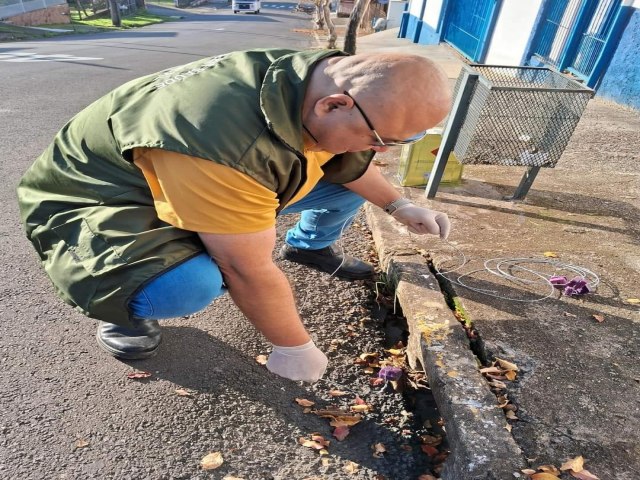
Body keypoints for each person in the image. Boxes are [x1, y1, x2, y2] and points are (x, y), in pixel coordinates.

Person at [17, 48, 451, 383]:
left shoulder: (309, 79)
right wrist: (293, 346)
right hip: (103, 199)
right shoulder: (221, 143)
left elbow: (350, 161)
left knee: (347, 179)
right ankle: (123, 304)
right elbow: (245, 267)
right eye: (379, 139)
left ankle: (307, 247)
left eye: (399, 141)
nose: (382, 151)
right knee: (190, 282)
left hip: (191, 178)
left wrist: (399, 205)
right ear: (333, 105)